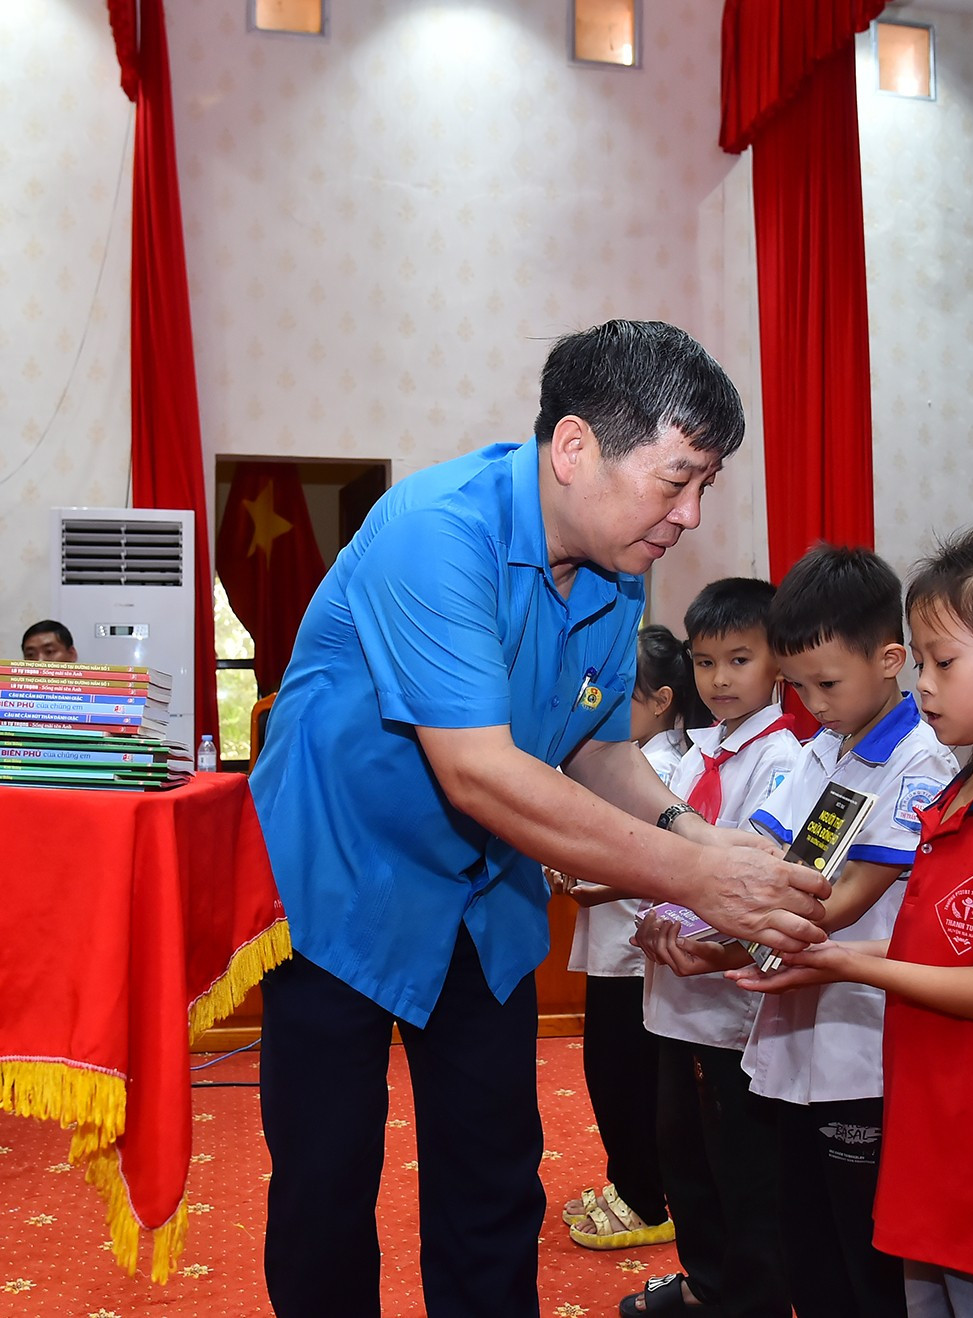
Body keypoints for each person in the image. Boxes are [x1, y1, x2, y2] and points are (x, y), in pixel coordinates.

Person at [248, 320, 833, 1318]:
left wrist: (699, 837)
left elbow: (590, 747)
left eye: (705, 488)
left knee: (493, 1180)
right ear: (575, 448)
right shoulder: (434, 532)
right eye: (676, 478)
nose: (690, 515)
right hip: (333, 888)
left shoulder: (618, 565)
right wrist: (696, 879)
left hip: (480, 895)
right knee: (326, 1185)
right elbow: (480, 771)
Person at [737, 521, 973, 1318]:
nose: (926, 683)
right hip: (940, 1146)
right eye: (921, 659)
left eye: (944, 662)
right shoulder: (952, 800)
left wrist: (846, 963)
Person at [650, 544, 958, 1318]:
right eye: (800, 685)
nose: (813, 702)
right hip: (794, 1029)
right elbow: (757, 862)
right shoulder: (820, 749)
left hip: (866, 1038)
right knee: (805, 1238)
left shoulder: (919, 761)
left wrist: (718, 934)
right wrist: (692, 919)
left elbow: (841, 900)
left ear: (891, 659)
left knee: (868, 1252)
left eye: (828, 683)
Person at [624, 578, 802, 1316]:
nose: (720, 680)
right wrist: (650, 916)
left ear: (778, 665)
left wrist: (696, 928)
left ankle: (751, 1298)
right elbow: (656, 847)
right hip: (672, 995)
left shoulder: (785, 757)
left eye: (739, 660)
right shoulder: (692, 755)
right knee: (684, 1156)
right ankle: (704, 1282)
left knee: (745, 1167)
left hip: (733, 1004)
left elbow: (761, 868)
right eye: (704, 663)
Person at [557, 624, 705, 1252]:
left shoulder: (665, 767)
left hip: (634, 953)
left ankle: (645, 1197)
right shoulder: (639, 759)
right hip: (610, 948)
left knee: (629, 1080)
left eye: (624, 699)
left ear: (662, 701)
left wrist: (600, 877)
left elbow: (656, 855)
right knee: (609, 1075)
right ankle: (628, 1183)